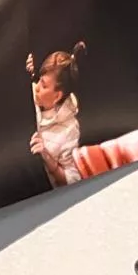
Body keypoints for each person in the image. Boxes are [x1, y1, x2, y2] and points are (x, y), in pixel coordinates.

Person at [28, 42, 87, 188]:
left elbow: (73, 180)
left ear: (57, 96)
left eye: (44, 85)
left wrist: (47, 158)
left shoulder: (70, 129)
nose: (37, 87)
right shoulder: (30, 96)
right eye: (39, 80)